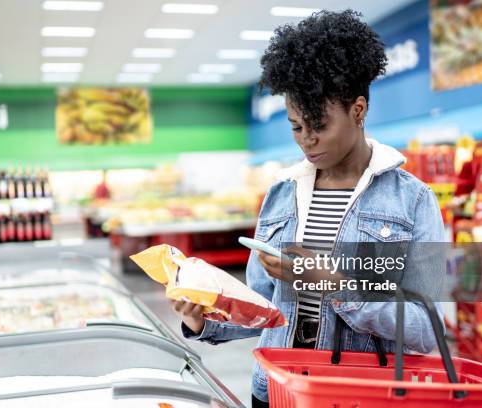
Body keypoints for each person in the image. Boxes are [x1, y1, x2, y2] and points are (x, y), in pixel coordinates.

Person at [170, 10, 446, 407]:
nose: (307, 140)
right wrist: (201, 314)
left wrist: (333, 285)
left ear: (358, 110)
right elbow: (264, 311)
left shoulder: (412, 201)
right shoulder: (282, 195)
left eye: (319, 125)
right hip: (276, 391)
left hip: (361, 395)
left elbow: (426, 328)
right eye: (297, 126)